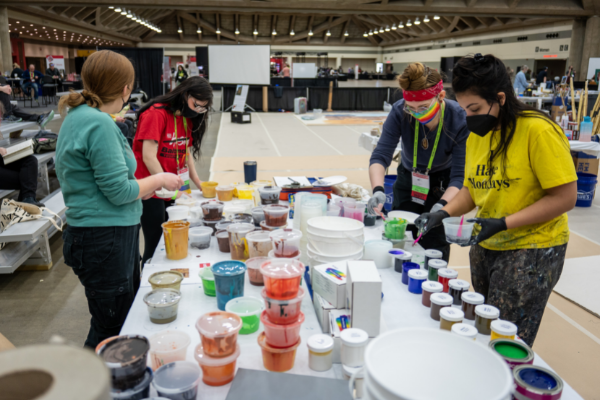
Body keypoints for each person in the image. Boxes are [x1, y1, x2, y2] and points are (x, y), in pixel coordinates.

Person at [415, 53, 577, 346]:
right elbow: (472, 190)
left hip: (531, 248)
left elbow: (565, 197)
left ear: (500, 98)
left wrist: (504, 223)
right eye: (464, 109)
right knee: (481, 327)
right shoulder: (478, 134)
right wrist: (442, 212)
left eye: (474, 107)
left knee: (505, 338)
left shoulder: (538, 131)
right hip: (486, 242)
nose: (468, 116)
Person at [55, 50, 183, 349]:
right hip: (103, 239)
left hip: (99, 235)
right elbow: (118, 192)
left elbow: (101, 183)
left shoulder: (80, 116)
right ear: (126, 89)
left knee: (116, 321)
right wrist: (160, 179)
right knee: (112, 329)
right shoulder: (99, 124)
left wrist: (143, 188)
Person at [367, 62, 470, 261]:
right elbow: (381, 155)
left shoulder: (459, 119)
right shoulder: (399, 111)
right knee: (399, 240)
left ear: (440, 97)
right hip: (409, 178)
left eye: (423, 107)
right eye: (411, 108)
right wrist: (378, 189)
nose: (416, 113)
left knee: (433, 247)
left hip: (444, 184)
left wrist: (442, 206)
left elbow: (459, 177)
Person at [134, 76, 212, 265]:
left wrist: (197, 181)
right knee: (155, 241)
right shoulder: (156, 114)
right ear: (185, 95)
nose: (198, 111)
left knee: (175, 236)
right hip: (151, 189)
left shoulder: (185, 119)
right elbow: (148, 156)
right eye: (196, 105)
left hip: (171, 187)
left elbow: (185, 151)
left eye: (203, 108)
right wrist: (168, 186)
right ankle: (147, 275)